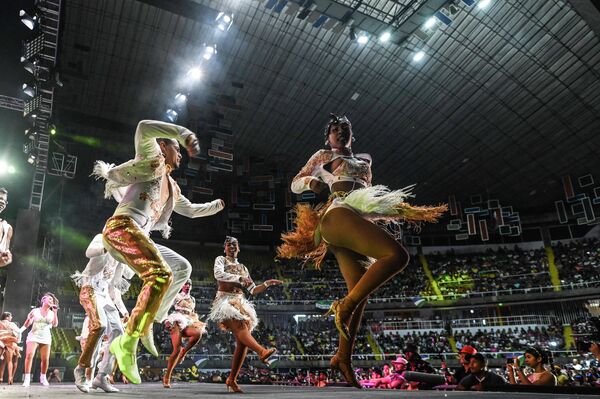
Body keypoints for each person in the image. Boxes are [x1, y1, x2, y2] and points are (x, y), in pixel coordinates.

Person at [278, 114, 446, 388]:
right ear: (328, 136)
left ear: (351, 134)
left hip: (351, 223)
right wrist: (311, 183)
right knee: (397, 256)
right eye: (334, 129)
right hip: (337, 216)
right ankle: (344, 306)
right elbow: (296, 181)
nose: (340, 132)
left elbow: (367, 195)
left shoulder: (365, 162)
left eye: (345, 128)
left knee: (361, 293)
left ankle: (343, 357)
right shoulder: (322, 155)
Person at [93, 119, 225, 383]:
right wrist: (184, 134)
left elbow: (190, 210)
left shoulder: (172, 188)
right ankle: (128, 342)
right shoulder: (151, 158)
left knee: (181, 268)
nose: (180, 155)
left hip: (139, 235)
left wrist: (217, 205)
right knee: (160, 273)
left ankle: (154, 319)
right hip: (121, 227)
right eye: (176, 149)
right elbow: (143, 126)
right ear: (163, 146)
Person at [209, 236, 282, 393]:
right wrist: (239, 278)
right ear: (225, 248)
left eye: (235, 245)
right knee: (242, 328)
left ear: (239, 248)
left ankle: (232, 380)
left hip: (240, 301)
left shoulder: (243, 267)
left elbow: (252, 290)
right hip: (225, 301)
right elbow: (218, 275)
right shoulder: (221, 259)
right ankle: (262, 351)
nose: (232, 247)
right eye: (229, 245)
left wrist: (266, 284)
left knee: (242, 343)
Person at [72, 233, 132, 393]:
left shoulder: (120, 257)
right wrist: (109, 247)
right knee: (100, 326)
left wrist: (123, 310)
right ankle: (80, 369)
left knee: (119, 331)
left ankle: (101, 376)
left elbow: (114, 287)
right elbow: (89, 252)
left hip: (105, 295)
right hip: (90, 289)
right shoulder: (103, 238)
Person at [162, 279, 206, 388]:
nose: (187, 286)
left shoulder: (193, 299)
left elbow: (192, 313)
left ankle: (184, 353)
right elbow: (165, 307)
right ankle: (167, 376)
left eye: (189, 284)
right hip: (176, 320)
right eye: (185, 284)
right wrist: (166, 320)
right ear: (182, 285)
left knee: (198, 333)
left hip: (188, 321)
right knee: (176, 349)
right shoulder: (176, 295)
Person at [21, 292, 59, 387]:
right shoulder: (35, 311)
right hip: (34, 335)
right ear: (43, 300)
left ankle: (43, 377)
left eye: (52, 300)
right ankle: (27, 379)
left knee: (45, 359)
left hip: (45, 337)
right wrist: (26, 321)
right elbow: (27, 324)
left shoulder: (51, 313)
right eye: (49, 299)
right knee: (29, 355)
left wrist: (55, 312)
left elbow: (55, 324)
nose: (51, 301)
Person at [0, 312, 22, 384]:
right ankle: (10, 378)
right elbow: (19, 332)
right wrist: (18, 340)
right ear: (7, 317)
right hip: (9, 342)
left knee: (3, 362)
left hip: (1, 342)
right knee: (10, 361)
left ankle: (1, 378)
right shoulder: (11, 324)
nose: (11, 317)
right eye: (10, 316)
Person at [0, 188, 13, 268]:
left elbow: (6, 252)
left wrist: (7, 259)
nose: (2, 202)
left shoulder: (8, 228)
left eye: (4, 201)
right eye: (0, 199)